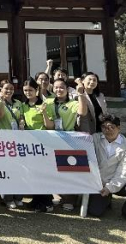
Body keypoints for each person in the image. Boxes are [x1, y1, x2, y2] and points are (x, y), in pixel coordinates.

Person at [88, 115, 126, 225]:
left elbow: (124, 172)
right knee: (95, 212)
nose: (107, 130)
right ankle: (107, 199)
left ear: (119, 128)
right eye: (104, 127)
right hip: (99, 182)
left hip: (120, 181)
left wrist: (109, 188)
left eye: (111, 127)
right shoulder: (95, 138)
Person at [46, 78, 89, 211]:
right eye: (56, 87)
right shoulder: (48, 102)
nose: (58, 90)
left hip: (68, 140)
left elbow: (82, 112)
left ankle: (69, 199)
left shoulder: (73, 103)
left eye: (61, 87)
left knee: (68, 169)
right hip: (52, 140)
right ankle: (58, 195)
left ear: (67, 89)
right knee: (54, 169)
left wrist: (81, 93)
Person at [0, 79, 24, 209]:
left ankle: (18, 196)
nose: (9, 91)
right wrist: (1, 101)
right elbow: (0, 115)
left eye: (11, 89)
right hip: (3, 141)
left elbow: (21, 116)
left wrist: (21, 122)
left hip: (17, 140)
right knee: (6, 170)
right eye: (6, 89)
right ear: (1, 90)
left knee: (18, 169)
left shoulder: (18, 102)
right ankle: (7, 198)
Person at [20, 78, 55, 212]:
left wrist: (44, 112)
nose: (28, 93)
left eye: (30, 90)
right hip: (29, 143)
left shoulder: (45, 105)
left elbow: (50, 126)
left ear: (37, 90)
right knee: (32, 173)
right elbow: (22, 119)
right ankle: (36, 199)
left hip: (42, 142)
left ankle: (46, 202)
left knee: (43, 173)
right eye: (25, 90)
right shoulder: (23, 105)